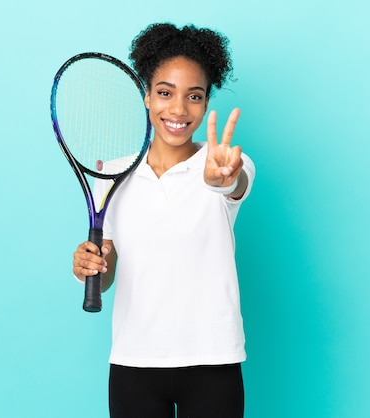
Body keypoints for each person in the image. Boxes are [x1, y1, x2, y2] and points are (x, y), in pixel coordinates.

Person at [72, 22, 255, 418]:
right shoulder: (112, 174)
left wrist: (224, 178)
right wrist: (90, 267)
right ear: (146, 96)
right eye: (165, 92)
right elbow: (107, 271)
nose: (177, 109)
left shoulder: (225, 163)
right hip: (134, 363)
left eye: (194, 96)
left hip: (213, 361)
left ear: (206, 104)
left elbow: (234, 185)